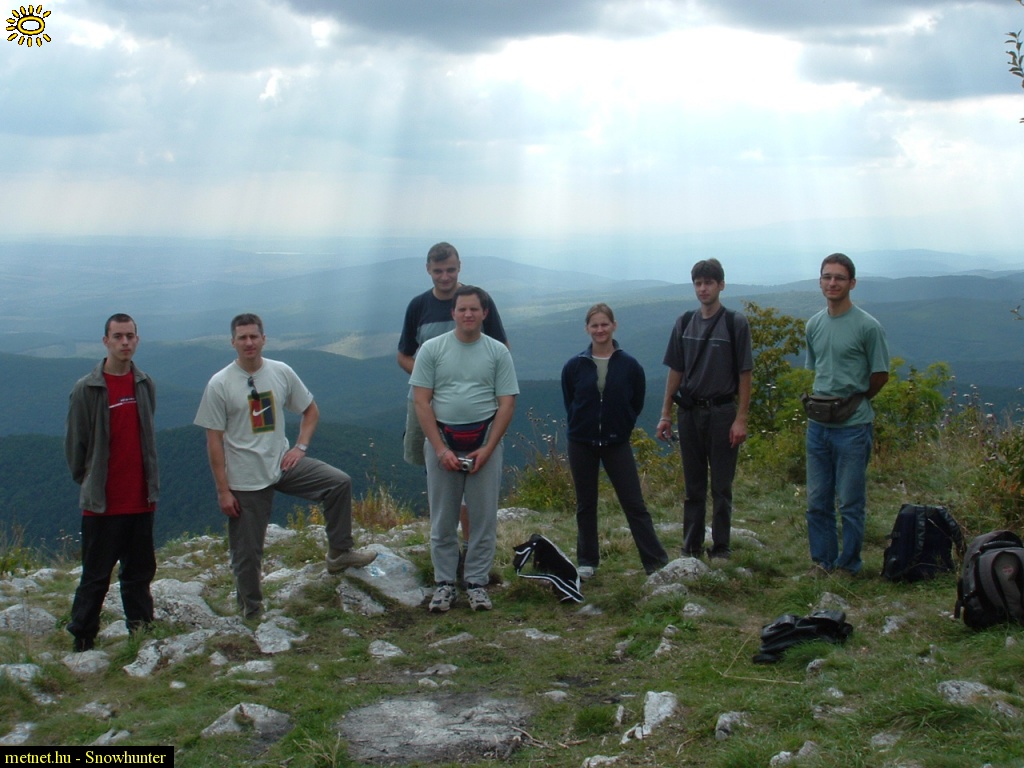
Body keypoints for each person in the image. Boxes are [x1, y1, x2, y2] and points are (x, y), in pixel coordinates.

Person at [194, 313, 376, 620]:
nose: (249, 343)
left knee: (338, 482)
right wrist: (223, 490)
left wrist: (300, 447)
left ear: (264, 339)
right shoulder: (220, 383)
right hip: (245, 478)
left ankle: (339, 553)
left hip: (281, 463)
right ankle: (251, 612)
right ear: (233, 342)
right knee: (247, 552)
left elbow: (311, 410)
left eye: (254, 336)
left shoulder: (280, 371)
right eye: (242, 337)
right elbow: (214, 441)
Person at [410, 286, 519, 613]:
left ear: (485, 313)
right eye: (462, 309)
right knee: (443, 518)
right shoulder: (432, 350)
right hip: (442, 439)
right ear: (453, 313)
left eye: (474, 309)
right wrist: (439, 449)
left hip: (485, 440)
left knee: (483, 518)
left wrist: (489, 447)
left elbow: (507, 402)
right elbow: (421, 401)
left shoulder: (498, 352)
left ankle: (476, 583)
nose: (468, 314)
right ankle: (444, 583)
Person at [397, 242, 509, 548]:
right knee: (436, 468)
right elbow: (403, 355)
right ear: (428, 270)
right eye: (438, 271)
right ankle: (444, 542)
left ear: (459, 267)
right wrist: (430, 379)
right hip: (426, 403)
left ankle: (471, 545)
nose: (444, 277)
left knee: (473, 469)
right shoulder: (418, 306)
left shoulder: (476, 301)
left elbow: (501, 349)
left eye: (450, 270)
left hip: (473, 406)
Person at [65, 313, 159, 652]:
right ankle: (83, 637)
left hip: (140, 500)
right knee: (95, 576)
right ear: (105, 341)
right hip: (103, 504)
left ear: (137, 339)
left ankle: (141, 634)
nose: (124, 342)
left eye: (130, 336)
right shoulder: (87, 388)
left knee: (139, 574)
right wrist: (90, 481)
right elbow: (75, 447)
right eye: (118, 336)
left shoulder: (144, 383)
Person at [562, 303, 669, 579]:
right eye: (594, 325)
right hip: (581, 442)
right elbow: (570, 401)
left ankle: (655, 562)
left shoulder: (630, 366)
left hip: (616, 442)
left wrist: (622, 426)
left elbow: (636, 401)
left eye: (604, 324)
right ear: (587, 329)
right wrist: (583, 426)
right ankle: (587, 561)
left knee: (634, 503)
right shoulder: (574, 366)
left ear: (614, 326)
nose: (600, 330)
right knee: (586, 503)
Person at [656, 259, 753, 559]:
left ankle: (721, 547)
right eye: (698, 283)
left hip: (723, 411)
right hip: (689, 412)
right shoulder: (685, 322)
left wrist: (741, 418)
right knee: (693, 486)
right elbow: (676, 370)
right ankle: (691, 547)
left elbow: (745, 373)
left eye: (709, 283)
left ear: (721, 285)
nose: (703, 289)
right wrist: (665, 414)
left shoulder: (735, 323)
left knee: (722, 486)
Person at [804, 253, 889, 577]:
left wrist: (857, 401)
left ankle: (849, 565)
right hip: (818, 425)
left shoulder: (868, 326)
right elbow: (818, 371)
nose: (832, 283)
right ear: (820, 281)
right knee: (817, 500)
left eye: (839, 277)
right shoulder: (814, 325)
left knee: (850, 501)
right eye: (827, 277)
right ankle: (822, 562)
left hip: (853, 426)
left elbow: (880, 375)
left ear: (852, 283)